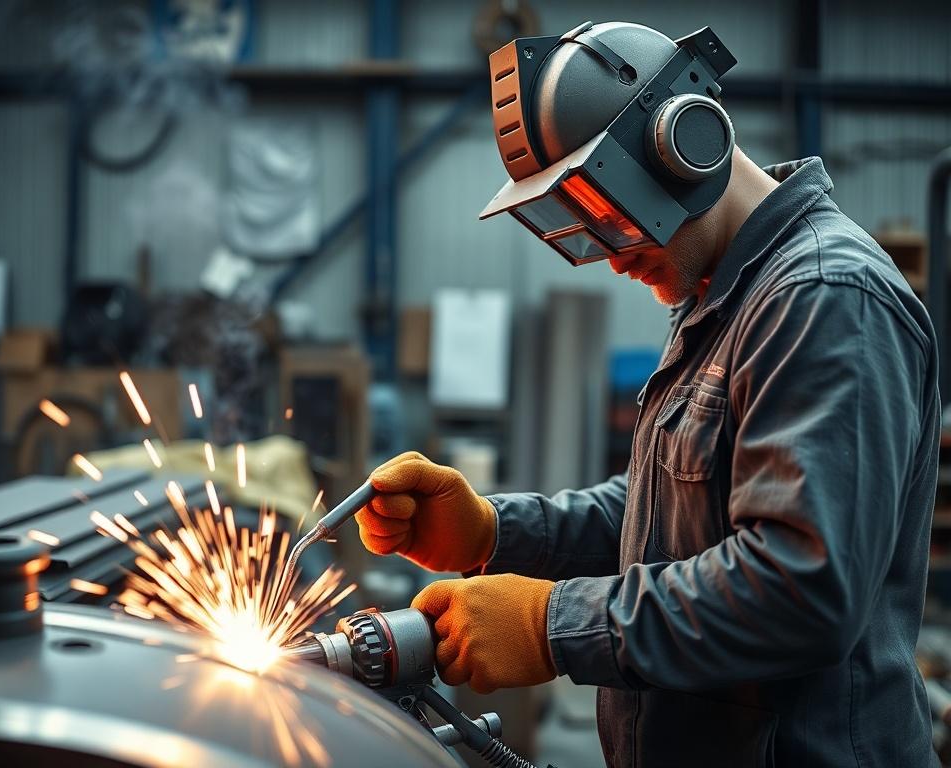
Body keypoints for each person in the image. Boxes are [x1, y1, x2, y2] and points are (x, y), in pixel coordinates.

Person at [356, 20, 940, 768]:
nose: (608, 258)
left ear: (685, 145)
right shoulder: (718, 297)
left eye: (611, 221)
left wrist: (550, 626)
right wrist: (493, 533)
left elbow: (801, 591)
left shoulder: (826, 299)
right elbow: (665, 516)